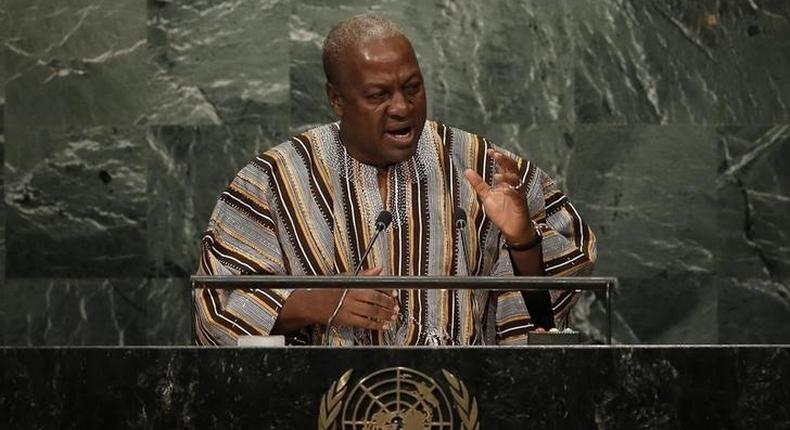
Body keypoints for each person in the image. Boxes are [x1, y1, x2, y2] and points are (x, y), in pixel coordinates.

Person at [194, 14, 596, 346]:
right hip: (327, 407)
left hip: (459, 403)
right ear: (337, 99)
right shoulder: (274, 180)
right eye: (378, 95)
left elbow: (545, 320)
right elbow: (219, 311)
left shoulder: (480, 166)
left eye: (412, 88)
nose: (402, 107)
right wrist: (319, 302)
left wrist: (523, 240)